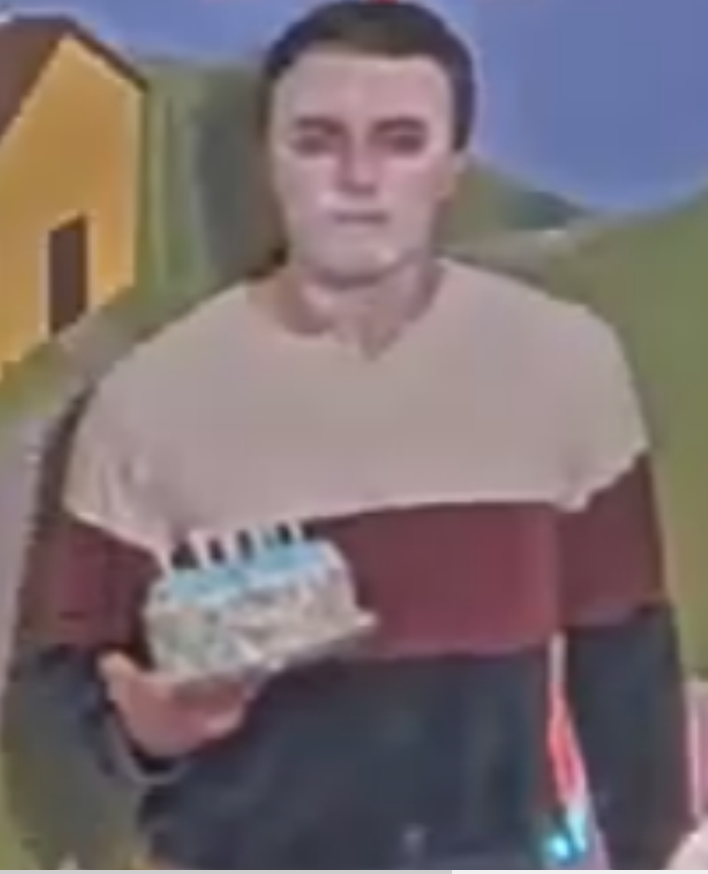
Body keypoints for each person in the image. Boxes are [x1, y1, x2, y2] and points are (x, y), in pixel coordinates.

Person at [19, 1, 690, 867]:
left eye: (401, 142)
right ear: (269, 157)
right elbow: (62, 701)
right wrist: (148, 733)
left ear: (452, 167)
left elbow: (625, 657)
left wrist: (651, 853)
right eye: (317, 140)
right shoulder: (148, 402)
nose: (358, 178)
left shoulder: (565, 366)